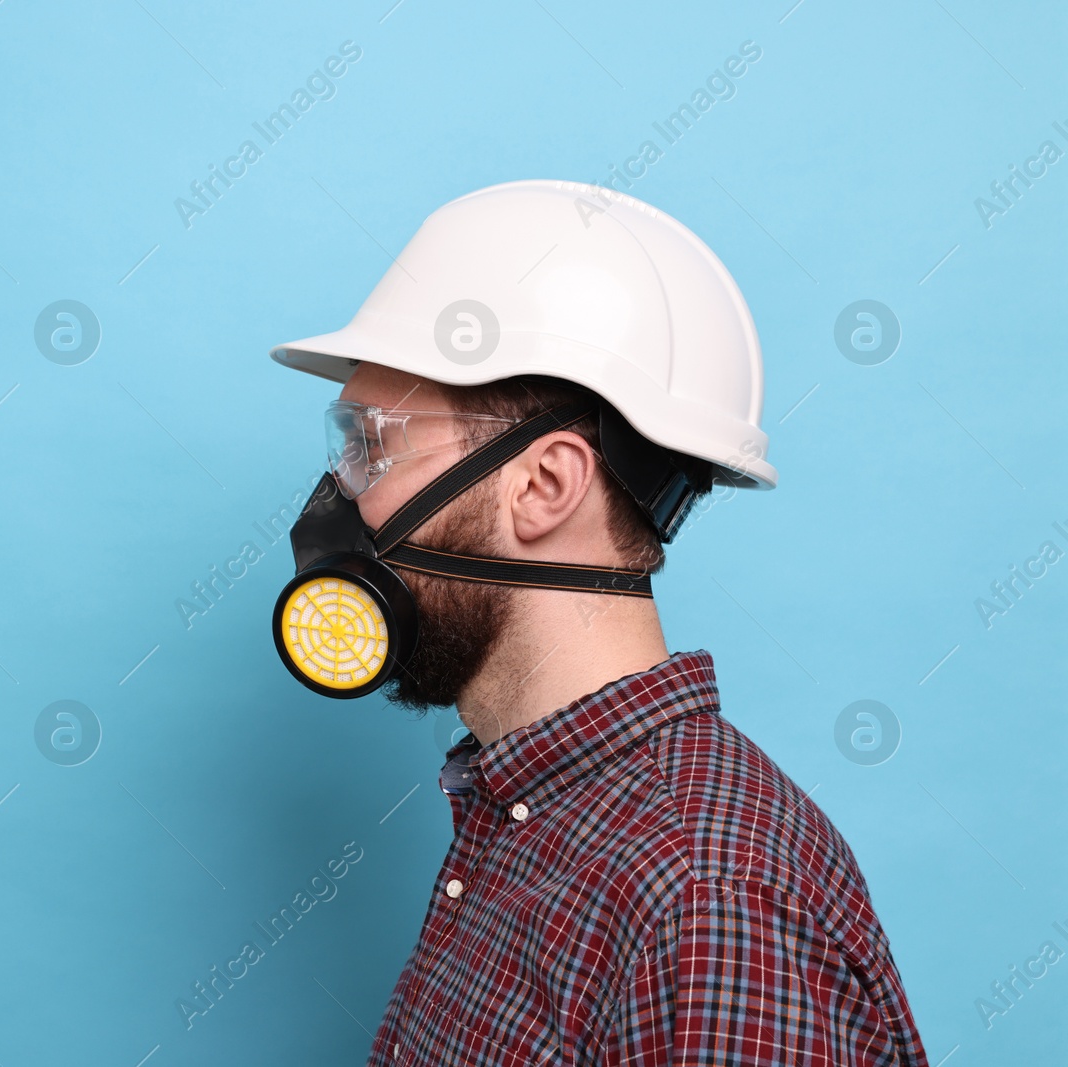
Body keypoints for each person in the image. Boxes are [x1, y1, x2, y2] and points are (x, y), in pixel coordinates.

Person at [266, 181, 927, 1065]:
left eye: (372, 444)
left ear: (542, 486)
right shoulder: (524, 815)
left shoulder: (708, 904)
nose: (337, 497)